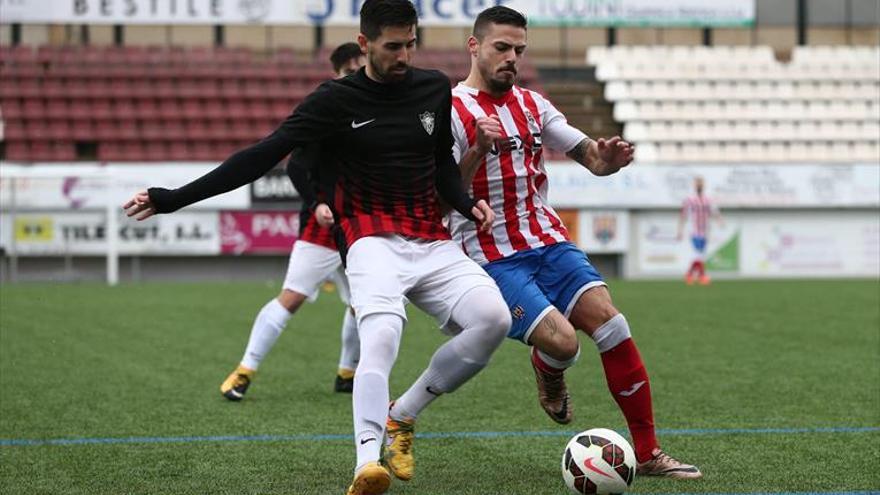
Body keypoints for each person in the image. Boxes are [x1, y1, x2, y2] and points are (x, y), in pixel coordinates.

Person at [122, 2, 510, 494]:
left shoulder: (433, 87)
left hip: (430, 237)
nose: (404, 55)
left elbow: (438, 164)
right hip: (369, 238)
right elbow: (261, 155)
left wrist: (465, 200)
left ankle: (403, 414)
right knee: (382, 336)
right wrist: (172, 199)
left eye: (411, 43)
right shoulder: (333, 100)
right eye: (393, 46)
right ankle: (367, 464)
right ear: (365, 44)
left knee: (494, 319)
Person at [387, 6, 702, 481]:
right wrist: (477, 149)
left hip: (549, 240)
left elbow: (590, 158)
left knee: (614, 325)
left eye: (519, 50)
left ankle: (650, 452)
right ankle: (548, 368)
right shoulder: (449, 111)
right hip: (490, 253)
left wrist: (608, 159)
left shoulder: (534, 105)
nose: (511, 58)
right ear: (474, 47)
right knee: (564, 343)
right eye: (501, 48)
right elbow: (440, 201)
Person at [218, 42, 366, 400]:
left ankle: (347, 373)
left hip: (361, 227)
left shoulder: (377, 107)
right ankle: (244, 371)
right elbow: (297, 164)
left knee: (363, 303)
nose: (356, 75)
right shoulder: (329, 108)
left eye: (360, 68)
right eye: (349, 70)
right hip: (323, 227)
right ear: (337, 73)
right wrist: (316, 203)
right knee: (292, 298)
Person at [678, 176, 723, 285]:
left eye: (701, 183)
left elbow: (714, 211)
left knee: (700, 255)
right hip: (694, 230)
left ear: (703, 185)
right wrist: (680, 230)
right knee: (697, 254)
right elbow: (683, 215)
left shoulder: (708, 199)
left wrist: (720, 220)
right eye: (697, 183)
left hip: (705, 231)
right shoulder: (690, 200)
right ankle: (702, 276)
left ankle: (689, 274)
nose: (699, 185)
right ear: (694, 186)